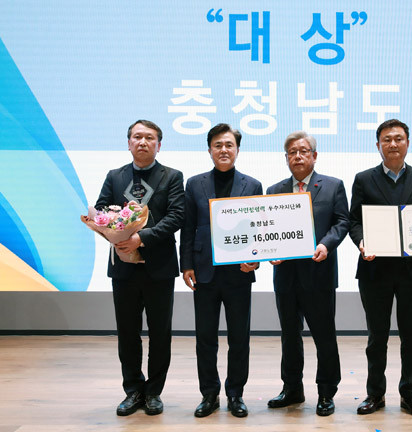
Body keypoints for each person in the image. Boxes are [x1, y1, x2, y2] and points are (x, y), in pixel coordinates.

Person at [349, 119, 412, 418]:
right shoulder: (363, 179)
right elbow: (354, 221)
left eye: (398, 139)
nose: (393, 144)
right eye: (386, 139)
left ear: (407, 143)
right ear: (378, 145)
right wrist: (362, 242)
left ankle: (410, 395)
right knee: (377, 338)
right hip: (374, 270)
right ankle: (375, 394)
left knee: (411, 337)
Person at [95, 120, 184, 416]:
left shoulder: (172, 176)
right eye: (137, 137)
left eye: (149, 137)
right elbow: (101, 210)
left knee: (160, 332)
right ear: (128, 142)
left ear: (159, 144)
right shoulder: (115, 176)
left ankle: (154, 392)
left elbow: (176, 216)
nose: (142, 142)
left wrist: (141, 238)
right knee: (127, 332)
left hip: (159, 267)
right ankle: (133, 391)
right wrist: (114, 230)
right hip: (124, 267)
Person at [180, 123, 262, 418]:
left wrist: (256, 259)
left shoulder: (252, 185)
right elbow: (188, 227)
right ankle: (209, 394)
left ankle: (235, 393)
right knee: (205, 337)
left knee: (239, 337)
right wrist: (186, 264)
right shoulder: (195, 184)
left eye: (229, 145)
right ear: (209, 150)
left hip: (239, 272)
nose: (223, 150)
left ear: (237, 149)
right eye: (218, 145)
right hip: (204, 271)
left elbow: (258, 229)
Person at [266, 131, 349, 416]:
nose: (298, 156)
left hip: (319, 273)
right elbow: (267, 229)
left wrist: (326, 244)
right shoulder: (274, 190)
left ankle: (326, 392)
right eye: (292, 152)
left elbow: (342, 222)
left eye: (303, 151)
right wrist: (270, 251)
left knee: (324, 336)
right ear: (286, 158)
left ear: (314, 155)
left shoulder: (333, 186)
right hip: (286, 275)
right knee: (289, 336)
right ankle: (292, 389)